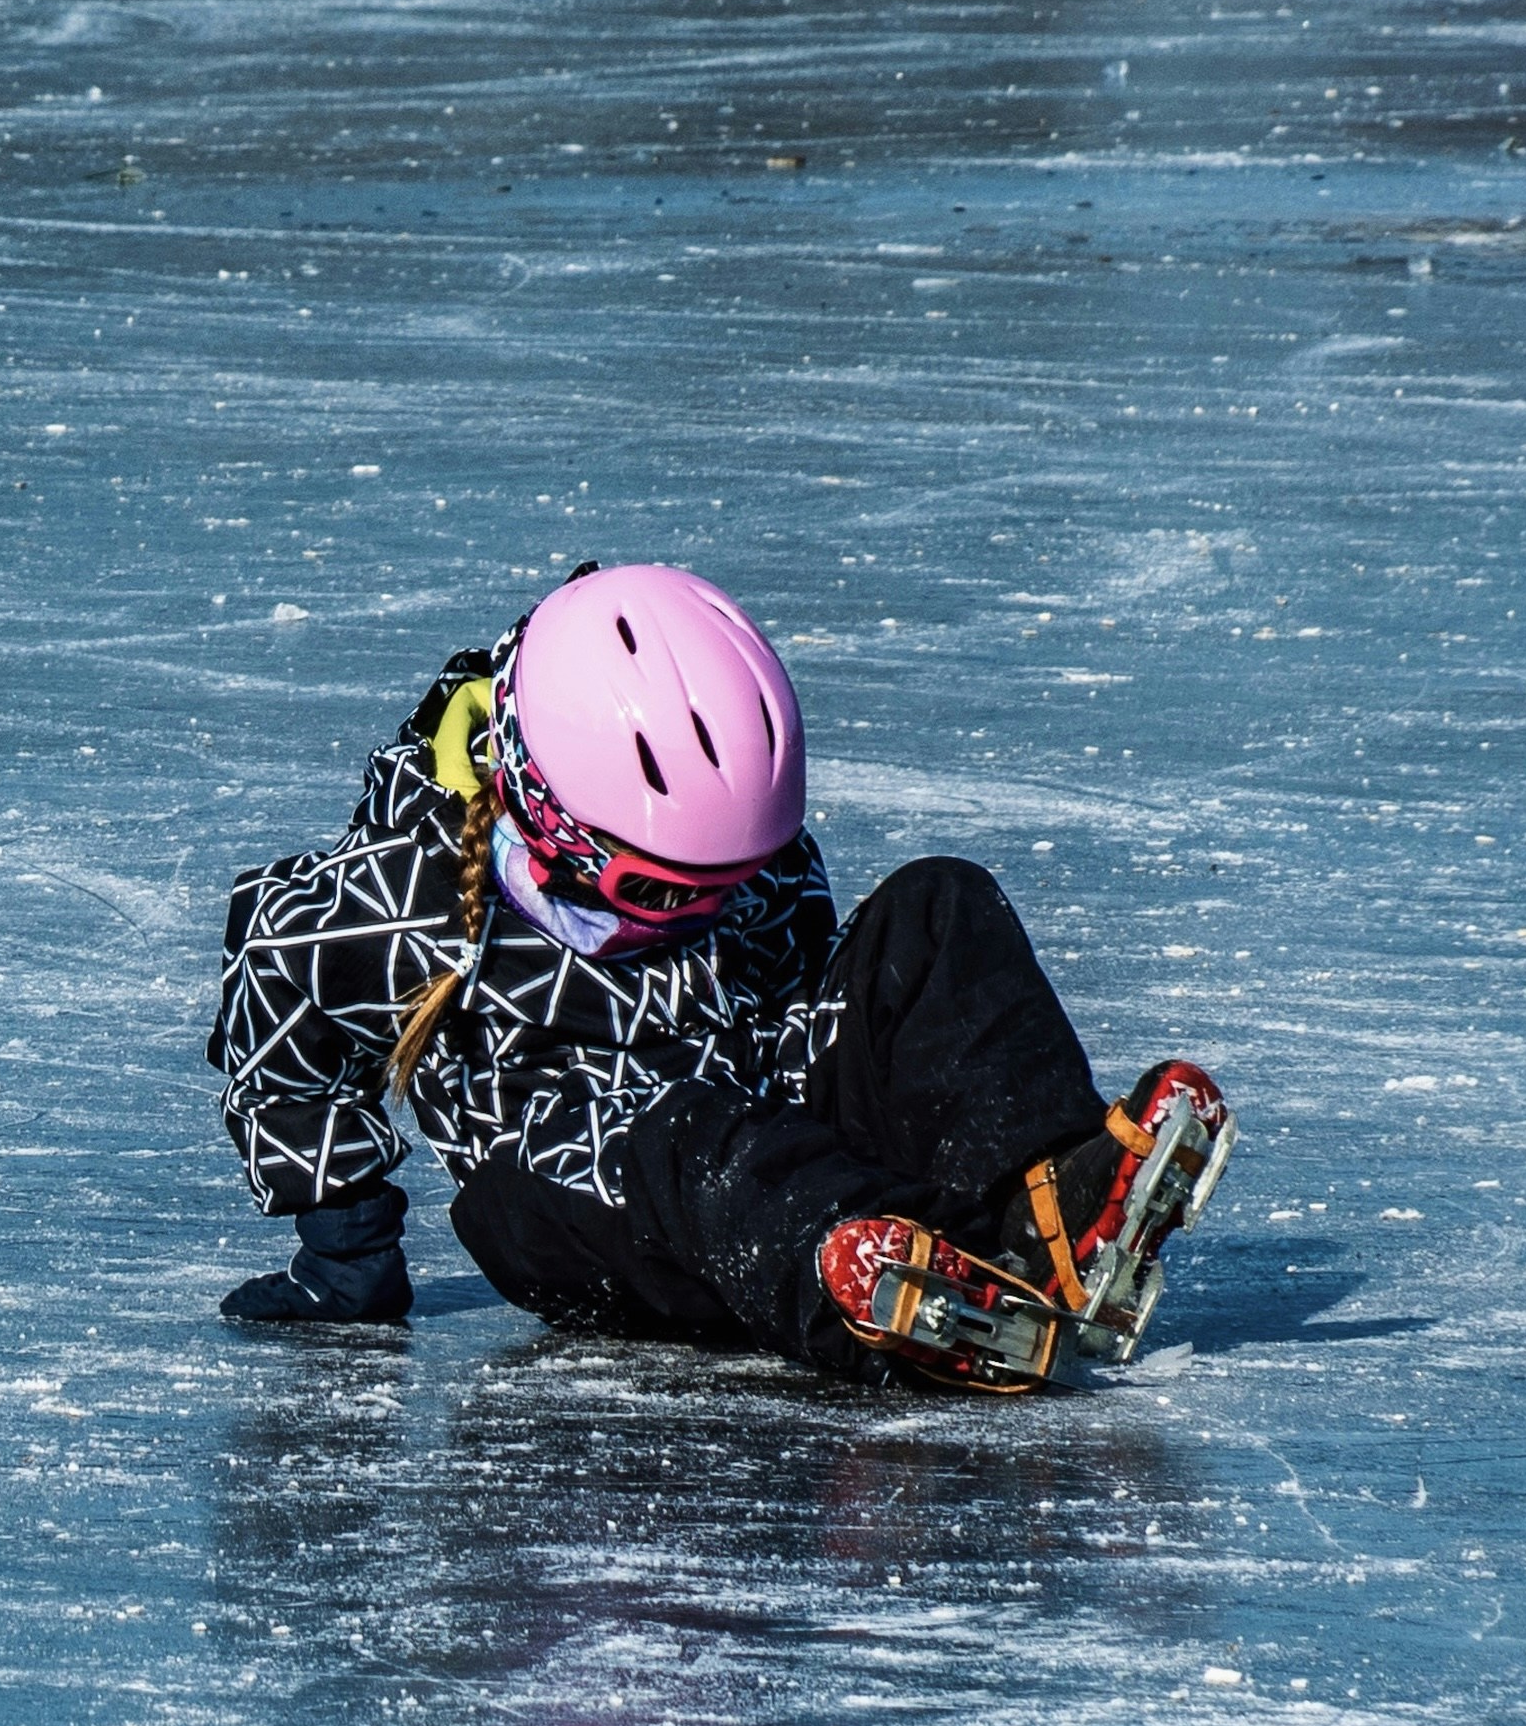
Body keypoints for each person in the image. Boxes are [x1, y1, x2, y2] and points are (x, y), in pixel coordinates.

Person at [205, 563, 1230, 1390]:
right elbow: (274, 993)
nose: (712, 907)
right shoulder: (403, 896)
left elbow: (802, 998)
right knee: (694, 1137)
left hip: (758, 1127)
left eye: (736, 877)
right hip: (570, 1188)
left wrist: (878, 1062)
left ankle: (1041, 1212)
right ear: (550, 819)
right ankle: (883, 1295)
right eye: (667, 889)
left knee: (937, 904)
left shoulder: (741, 860)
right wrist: (348, 1256)